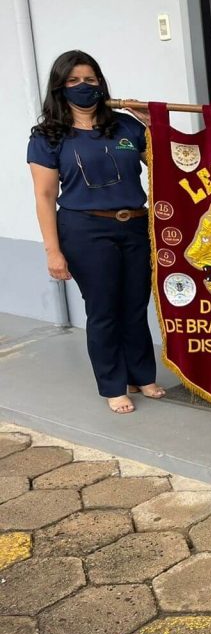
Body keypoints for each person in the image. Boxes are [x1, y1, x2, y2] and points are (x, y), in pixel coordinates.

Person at [27, 50, 164, 414]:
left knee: (135, 305)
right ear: (60, 87)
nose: (83, 86)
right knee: (103, 309)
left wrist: (152, 125)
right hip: (85, 229)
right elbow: (44, 196)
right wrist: (52, 251)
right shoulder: (48, 136)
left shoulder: (125, 126)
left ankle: (141, 375)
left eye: (89, 79)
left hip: (135, 225)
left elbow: (165, 166)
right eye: (73, 81)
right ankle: (113, 384)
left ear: (101, 83)